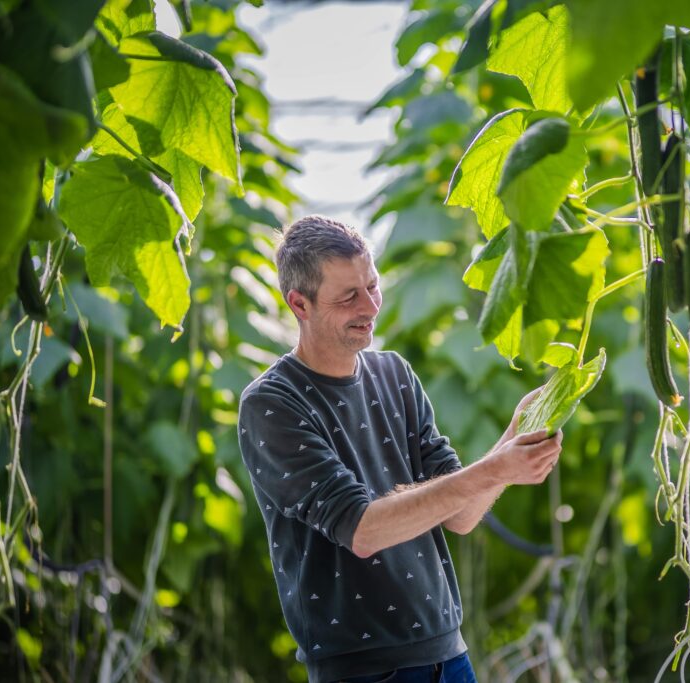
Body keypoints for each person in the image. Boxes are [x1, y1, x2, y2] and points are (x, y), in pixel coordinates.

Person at [237, 216, 563, 682]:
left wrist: (514, 437)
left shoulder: (395, 374)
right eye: (347, 296)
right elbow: (362, 530)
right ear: (299, 304)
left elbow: (462, 516)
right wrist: (495, 469)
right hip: (363, 671)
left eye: (372, 285)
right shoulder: (272, 403)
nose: (369, 305)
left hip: (450, 655)